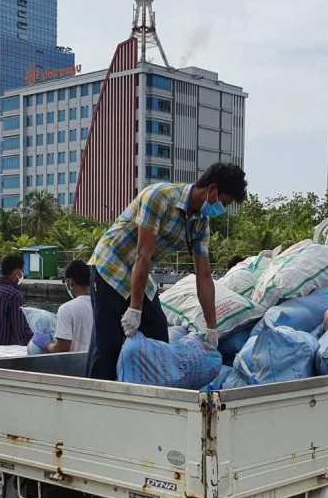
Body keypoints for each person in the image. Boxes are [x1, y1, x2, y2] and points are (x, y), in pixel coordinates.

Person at [86, 162, 248, 381]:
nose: (222, 208)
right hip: (110, 267)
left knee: (158, 334)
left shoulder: (200, 223)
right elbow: (142, 255)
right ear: (212, 190)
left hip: (141, 274)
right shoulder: (159, 197)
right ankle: (96, 403)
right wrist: (135, 309)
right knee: (108, 343)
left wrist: (211, 329)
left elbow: (203, 276)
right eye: (225, 202)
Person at [32, 259, 93, 354]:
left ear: (70, 282)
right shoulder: (102, 306)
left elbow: (61, 349)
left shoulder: (67, 309)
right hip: (97, 365)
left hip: (75, 366)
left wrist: (46, 344)